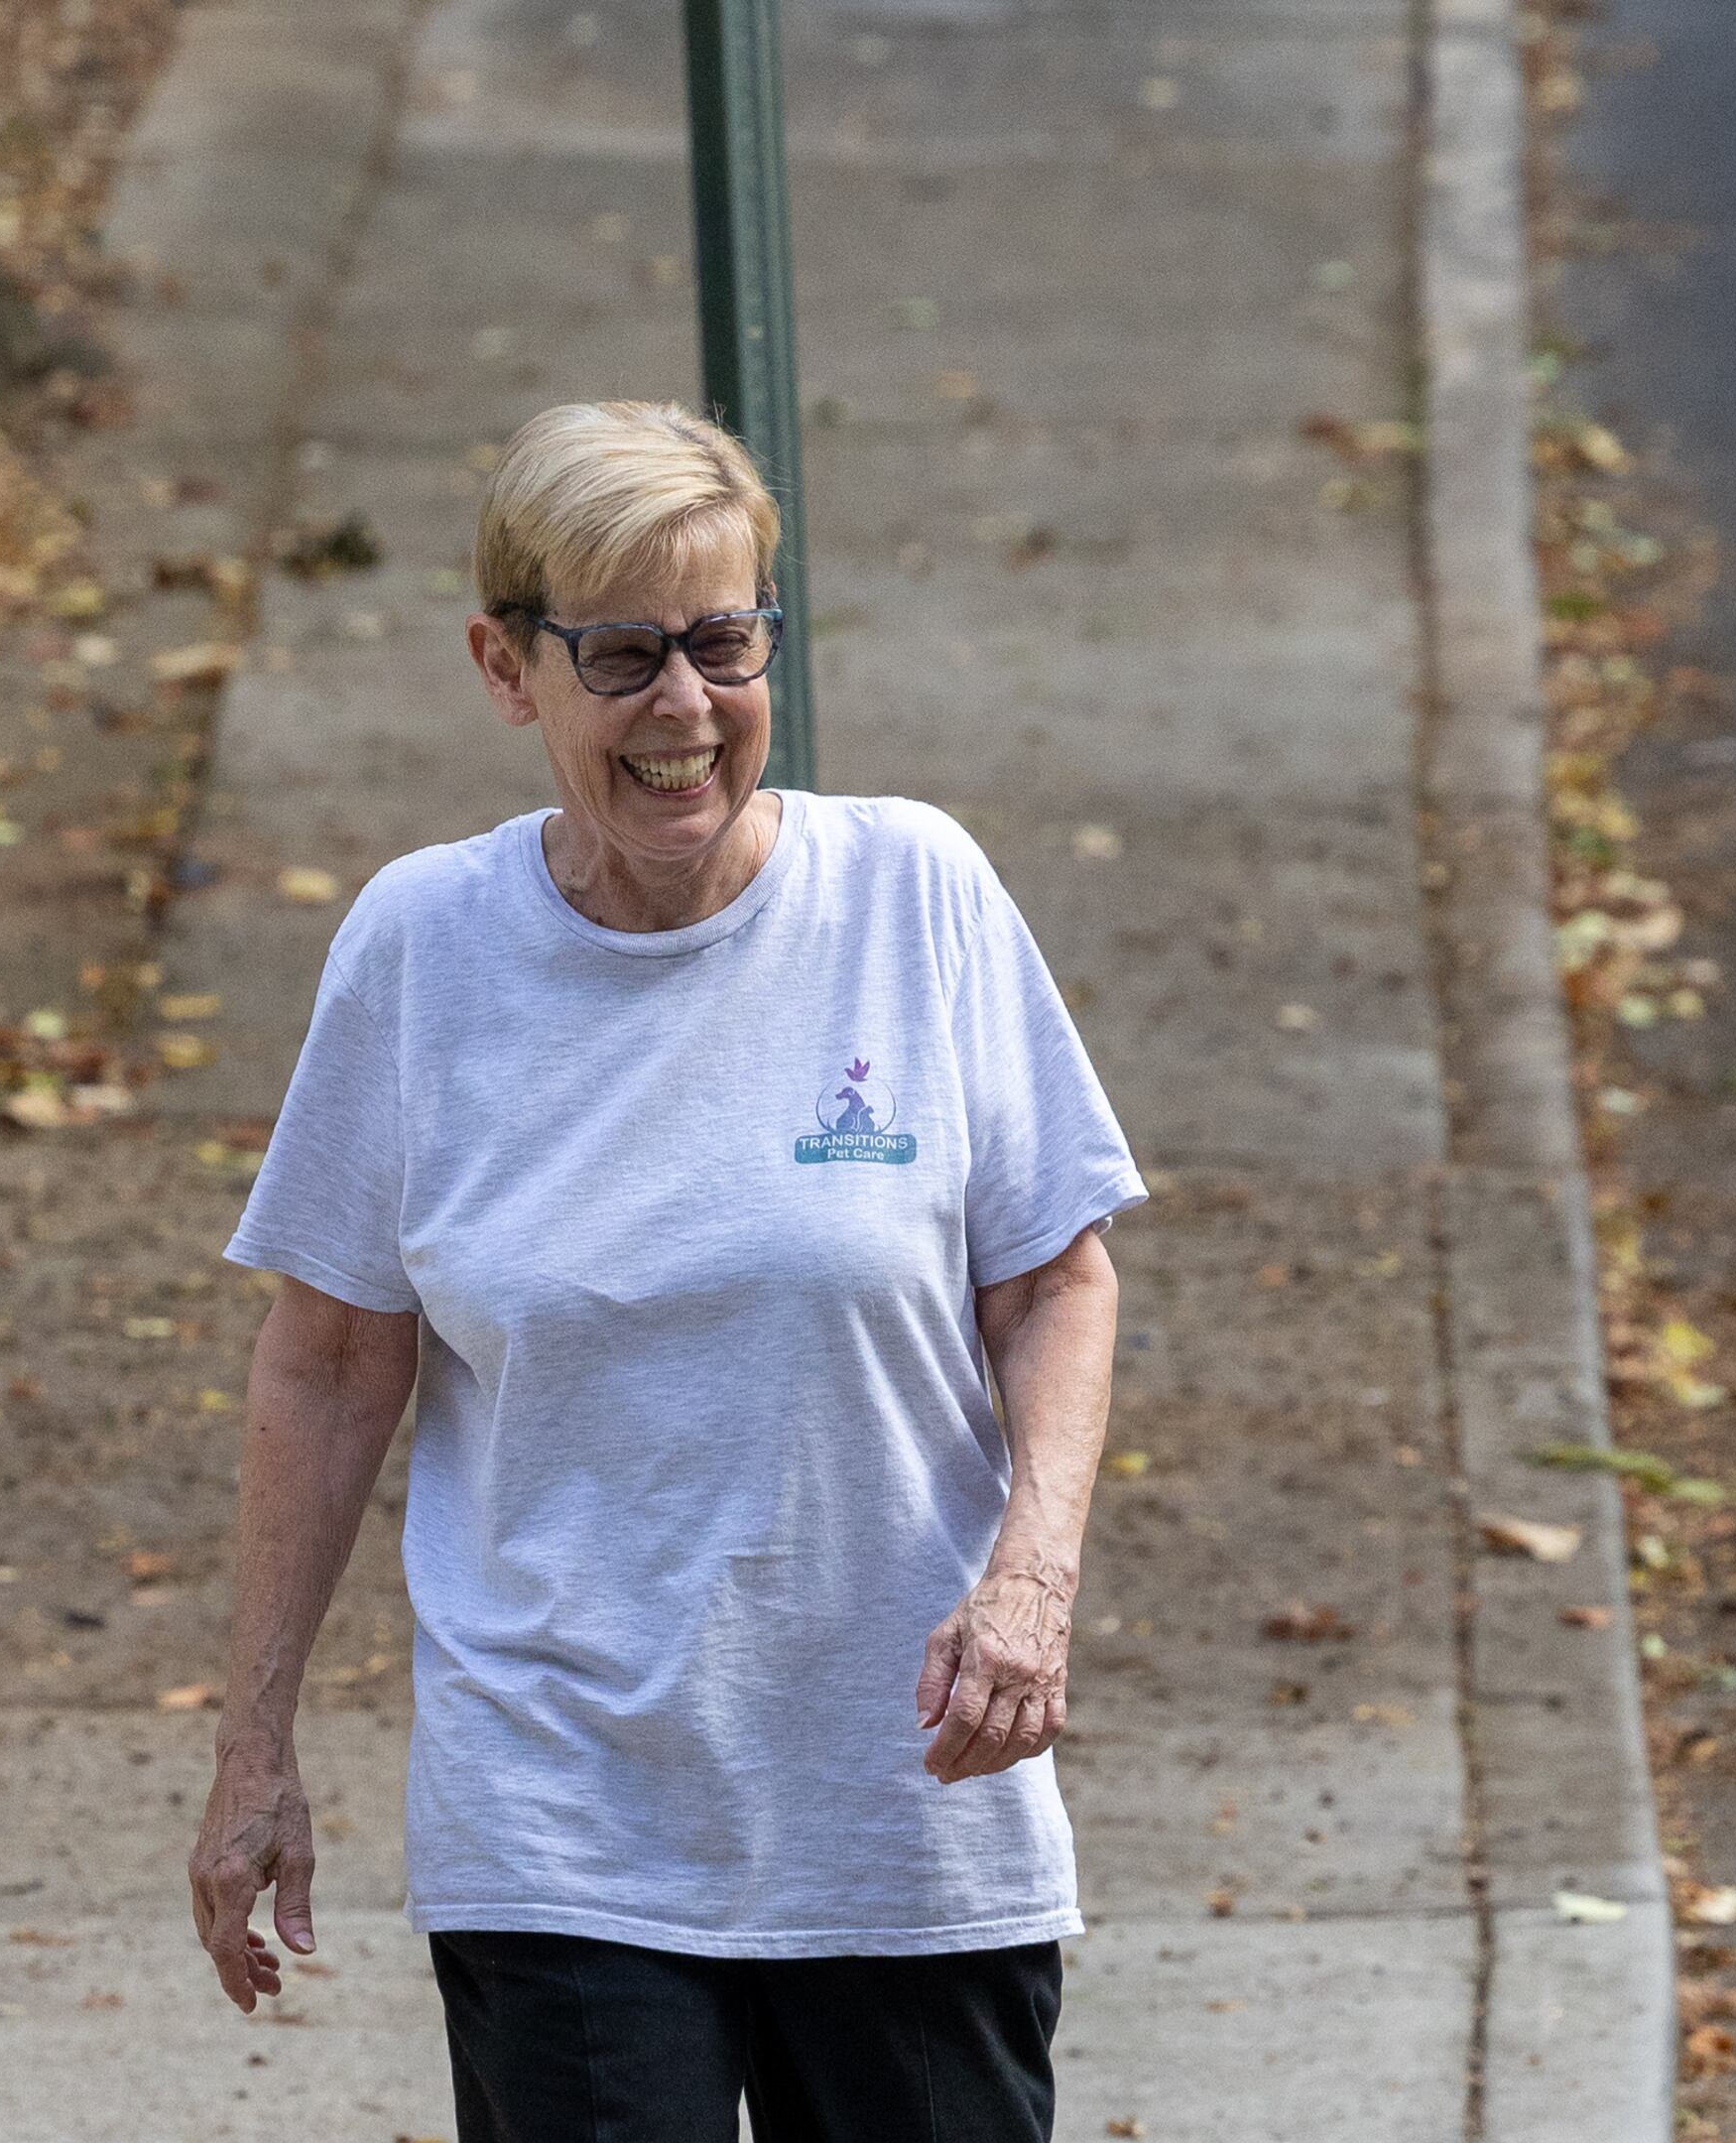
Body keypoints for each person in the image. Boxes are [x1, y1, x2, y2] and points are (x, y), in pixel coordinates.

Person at [186, 400, 1143, 2142]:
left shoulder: (917, 895)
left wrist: (1033, 1584)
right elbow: (326, 1364)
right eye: (623, 655)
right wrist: (255, 1749)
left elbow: (1054, 1284)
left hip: (899, 1806)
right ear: (507, 666)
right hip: (557, 1817)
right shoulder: (422, 950)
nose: (686, 709)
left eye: (725, 642)